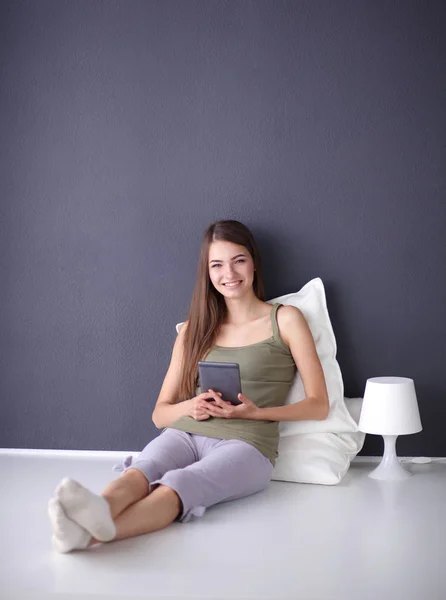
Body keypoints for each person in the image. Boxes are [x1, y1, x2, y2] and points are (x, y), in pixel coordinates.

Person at [48, 219, 329, 553]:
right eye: (217, 265)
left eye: (238, 260)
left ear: (253, 263)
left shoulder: (285, 319)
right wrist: (191, 407)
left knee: (180, 483)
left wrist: (258, 412)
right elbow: (160, 415)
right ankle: (96, 510)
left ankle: (88, 535)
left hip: (248, 445)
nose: (229, 273)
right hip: (187, 432)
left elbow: (319, 404)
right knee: (143, 469)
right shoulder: (195, 330)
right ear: (207, 273)